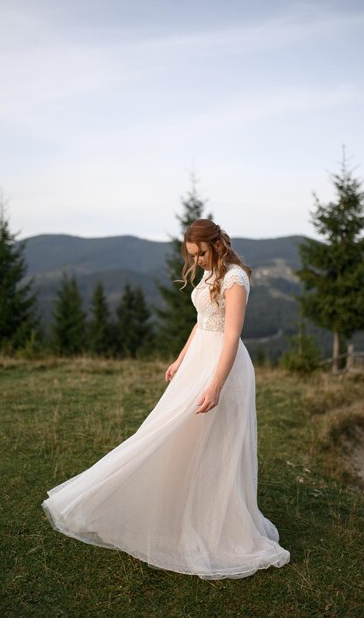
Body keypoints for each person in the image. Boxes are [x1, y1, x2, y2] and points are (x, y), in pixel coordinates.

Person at [41, 218, 291, 580]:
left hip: (224, 367)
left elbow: (231, 335)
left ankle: (215, 521)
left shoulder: (235, 278)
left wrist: (217, 384)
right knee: (173, 432)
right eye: (192, 255)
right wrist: (181, 357)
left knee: (216, 443)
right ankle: (172, 505)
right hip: (198, 360)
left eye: (201, 253)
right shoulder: (210, 275)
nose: (198, 260)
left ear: (216, 245)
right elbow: (202, 320)